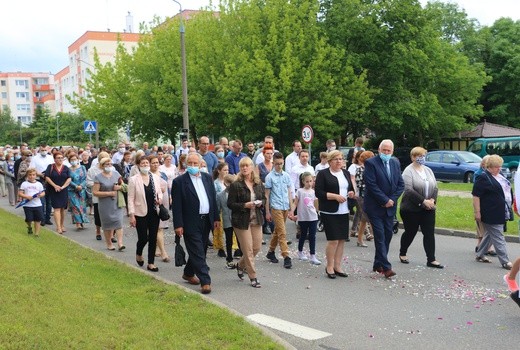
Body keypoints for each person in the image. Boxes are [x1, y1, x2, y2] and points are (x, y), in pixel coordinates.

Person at [172, 153, 220, 294]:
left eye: (195, 163)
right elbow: (177, 206)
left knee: (202, 248)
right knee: (198, 250)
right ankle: (205, 281)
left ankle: (188, 272)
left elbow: (212, 199)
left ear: (200, 164)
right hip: (190, 221)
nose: (192, 166)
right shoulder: (179, 182)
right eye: (190, 163)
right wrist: (178, 225)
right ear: (186, 164)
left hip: (206, 220)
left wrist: (216, 217)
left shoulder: (207, 178)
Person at [363, 139, 404, 278]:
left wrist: (392, 200)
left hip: (390, 207)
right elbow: (371, 184)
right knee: (380, 236)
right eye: (384, 150)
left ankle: (377, 263)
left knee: (388, 234)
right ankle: (386, 267)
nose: (386, 153)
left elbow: (400, 184)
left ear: (392, 151)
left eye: (389, 151)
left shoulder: (395, 162)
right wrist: (384, 200)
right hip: (375, 206)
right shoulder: (371, 163)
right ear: (379, 150)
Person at [398, 147, 443, 268]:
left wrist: (432, 201)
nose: (421, 158)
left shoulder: (428, 170)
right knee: (410, 232)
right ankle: (403, 252)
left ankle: (431, 259)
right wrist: (423, 201)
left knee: (429, 233)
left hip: (428, 208)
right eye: (419, 156)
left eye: (423, 155)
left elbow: (435, 187)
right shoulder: (408, 171)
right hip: (411, 208)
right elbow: (408, 190)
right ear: (413, 157)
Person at [315, 150, 355, 279]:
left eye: (341, 159)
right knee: (333, 240)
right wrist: (335, 197)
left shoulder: (346, 173)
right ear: (330, 161)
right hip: (329, 210)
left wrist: (351, 193)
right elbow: (319, 192)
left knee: (342, 239)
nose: (339, 161)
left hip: (344, 210)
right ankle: (330, 266)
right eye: (336, 159)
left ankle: (338, 266)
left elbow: (351, 189)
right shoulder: (323, 174)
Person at [227, 157, 266, 288]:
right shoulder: (236, 184)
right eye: (242, 166)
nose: (244, 168)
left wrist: (260, 204)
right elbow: (230, 204)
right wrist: (245, 205)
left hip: (256, 219)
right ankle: (253, 277)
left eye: (247, 166)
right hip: (241, 221)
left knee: (256, 247)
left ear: (252, 167)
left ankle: (241, 265)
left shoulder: (258, 183)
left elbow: (264, 199)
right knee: (248, 249)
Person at [472, 154, 513, 269]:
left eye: (500, 166)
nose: (499, 168)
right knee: (498, 236)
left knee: (490, 234)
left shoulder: (500, 176)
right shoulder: (483, 177)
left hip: (501, 210)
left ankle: (480, 254)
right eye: (496, 167)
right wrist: (477, 212)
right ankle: (505, 261)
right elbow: (476, 196)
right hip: (490, 211)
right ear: (489, 166)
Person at [128, 156, 162, 271]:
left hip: (154, 212)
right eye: (142, 163)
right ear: (138, 165)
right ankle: (139, 252)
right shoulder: (134, 179)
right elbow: (130, 198)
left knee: (153, 238)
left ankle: (151, 262)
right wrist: (131, 215)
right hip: (140, 212)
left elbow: (159, 192)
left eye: (147, 163)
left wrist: (160, 199)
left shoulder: (155, 177)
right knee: (143, 238)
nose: (145, 165)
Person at [264, 152, 293, 269]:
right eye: (277, 164)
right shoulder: (269, 177)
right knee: (282, 232)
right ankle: (286, 256)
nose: (279, 166)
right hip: (275, 206)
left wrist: (291, 208)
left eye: (281, 164)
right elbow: (267, 195)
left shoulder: (286, 176)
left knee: (277, 231)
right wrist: (267, 211)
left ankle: (270, 251)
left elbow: (289, 192)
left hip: (285, 206)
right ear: (273, 163)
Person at [93, 157, 125, 251]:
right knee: (107, 224)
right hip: (105, 204)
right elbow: (95, 192)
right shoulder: (98, 177)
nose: (109, 166)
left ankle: (120, 243)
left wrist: (118, 187)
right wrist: (109, 193)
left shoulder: (116, 174)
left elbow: (123, 186)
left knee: (119, 222)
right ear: (102, 166)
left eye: (110, 164)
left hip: (116, 202)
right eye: (106, 164)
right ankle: (109, 243)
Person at [290, 172, 321, 265]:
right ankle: (300, 251)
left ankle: (312, 255)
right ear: (303, 181)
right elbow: (295, 203)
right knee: (303, 235)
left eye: (311, 181)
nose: (309, 183)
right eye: (307, 181)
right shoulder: (300, 191)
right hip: (303, 217)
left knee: (312, 236)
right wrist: (292, 211)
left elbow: (316, 203)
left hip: (313, 217)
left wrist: (318, 212)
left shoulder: (314, 192)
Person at [149, 155, 170, 262]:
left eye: (157, 162)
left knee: (160, 227)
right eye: (153, 162)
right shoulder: (148, 176)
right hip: (154, 203)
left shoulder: (163, 174)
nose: (155, 164)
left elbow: (167, 187)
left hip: (164, 202)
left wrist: (170, 196)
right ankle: (163, 252)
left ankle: (158, 248)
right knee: (158, 228)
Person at [45, 152, 71, 234]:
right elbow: (47, 177)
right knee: (56, 208)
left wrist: (63, 187)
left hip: (63, 190)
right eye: (58, 158)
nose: (60, 159)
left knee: (62, 208)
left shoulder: (66, 168)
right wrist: (55, 186)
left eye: (61, 157)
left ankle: (62, 225)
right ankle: (58, 227)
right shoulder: (50, 167)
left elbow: (69, 178)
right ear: (54, 159)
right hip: (53, 190)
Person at [87, 151, 110, 241]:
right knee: (98, 215)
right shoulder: (92, 170)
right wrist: (97, 185)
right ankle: (98, 231)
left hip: (109, 195)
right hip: (98, 196)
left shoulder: (111, 168)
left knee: (109, 215)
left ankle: (111, 234)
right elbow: (88, 182)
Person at [354, 151, 375, 247]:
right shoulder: (360, 170)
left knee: (365, 218)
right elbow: (359, 184)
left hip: (372, 196)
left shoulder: (372, 169)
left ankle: (361, 239)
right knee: (365, 218)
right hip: (363, 196)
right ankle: (360, 239)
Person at [216, 174, 237, 269]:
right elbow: (218, 209)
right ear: (225, 183)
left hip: (237, 220)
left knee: (240, 239)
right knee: (228, 240)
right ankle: (229, 258)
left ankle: (241, 257)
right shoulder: (220, 195)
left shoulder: (238, 194)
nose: (230, 186)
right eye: (228, 183)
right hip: (227, 220)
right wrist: (217, 220)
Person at [29, 144, 54, 225]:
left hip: (49, 180)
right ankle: (42, 218)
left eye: (45, 150)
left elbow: (53, 167)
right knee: (42, 201)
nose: (44, 151)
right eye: (42, 150)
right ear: (39, 150)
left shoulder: (50, 157)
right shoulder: (35, 158)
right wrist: (40, 174)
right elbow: (32, 169)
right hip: (39, 180)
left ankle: (48, 218)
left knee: (49, 201)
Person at [18, 168, 45, 237]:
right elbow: (20, 193)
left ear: (36, 175)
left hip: (37, 204)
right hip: (28, 205)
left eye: (33, 175)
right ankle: (29, 226)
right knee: (29, 219)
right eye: (30, 175)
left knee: (38, 220)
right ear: (27, 175)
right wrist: (26, 196)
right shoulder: (24, 184)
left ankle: (36, 234)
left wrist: (40, 195)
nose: (32, 176)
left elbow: (43, 193)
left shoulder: (39, 184)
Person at [68, 152, 90, 229]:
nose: (73, 161)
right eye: (71, 159)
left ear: (77, 159)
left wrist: (81, 185)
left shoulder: (82, 168)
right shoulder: (68, 170)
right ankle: (77, 222)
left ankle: (82, 220)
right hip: (72, 190)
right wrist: (75, 186)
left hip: (82, 190)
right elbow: (68, 180)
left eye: (75, 159)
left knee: (82, 206)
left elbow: (85, 178)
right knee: (75, 206)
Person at [213, 162, 230, 257]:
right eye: (224, 170)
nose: (226, 172)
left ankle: (234, 247)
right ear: (219, 171)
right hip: (220, 208)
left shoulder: (230, 181)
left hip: (230, 208)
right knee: (219, 229)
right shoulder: (215, 183)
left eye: (227, 170)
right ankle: (220, 248)